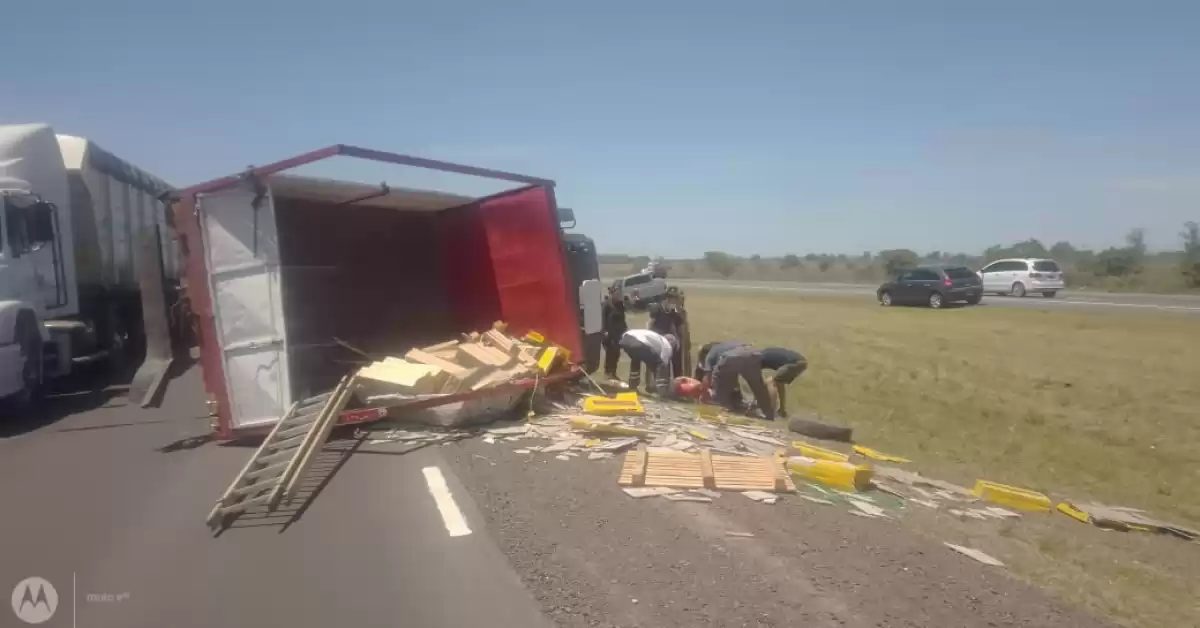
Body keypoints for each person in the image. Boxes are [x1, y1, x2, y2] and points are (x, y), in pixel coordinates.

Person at [618, 328, 676, 394]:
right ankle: (662, 392)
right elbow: (664, 363)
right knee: (660, 365)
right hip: (639, 342)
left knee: (636, 359)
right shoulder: (666, 344)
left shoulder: (656, 339)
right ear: (672, 343)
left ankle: (633, 387)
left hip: (626, 339)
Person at [759, 347, 808, 419]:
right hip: (801, 362)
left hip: (794, 363)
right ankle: (782, 411)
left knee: (771, 382)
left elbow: (757, 380)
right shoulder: (763, 354)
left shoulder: (757, 359)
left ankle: (770, 413)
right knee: (779, 382)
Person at [646, 301, 685, 378]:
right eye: (671, 299)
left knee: (674, 356)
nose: (672, 301)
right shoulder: (657, 309)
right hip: (656, 338)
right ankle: (656, 380)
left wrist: (677, 340)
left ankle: (675, 379)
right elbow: (649, 325)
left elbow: (672, 327)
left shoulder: (673, 313)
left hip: (667, 339)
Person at [601, 286, 628, 379]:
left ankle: (613, 372)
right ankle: (607, 372)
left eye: (619, 294)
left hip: (618, 332)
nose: (619, 295)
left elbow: (622, 318)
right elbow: (603, 318)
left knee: (617, 353)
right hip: (609, 333)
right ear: (612, 294)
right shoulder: (606, 304)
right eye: (617, 293)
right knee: (610, 353)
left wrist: (625, 329)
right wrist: (604, 331)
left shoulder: (620, 304)